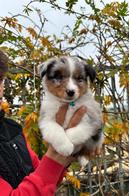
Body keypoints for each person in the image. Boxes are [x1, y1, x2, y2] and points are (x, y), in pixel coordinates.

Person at [0, 50, 87, 195]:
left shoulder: (12, 129)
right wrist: (54, 157)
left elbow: (41, 178)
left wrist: (63, 156)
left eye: (0, 79)